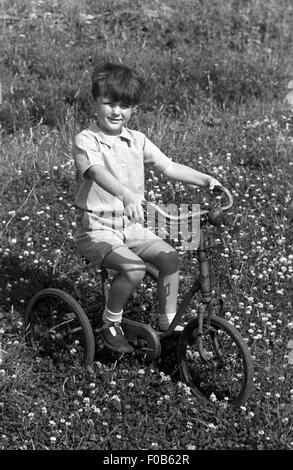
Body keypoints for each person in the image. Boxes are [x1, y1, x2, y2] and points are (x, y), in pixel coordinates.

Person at [73, 62, 221, 353]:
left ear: (134, 110)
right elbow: (94, 172)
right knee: (134, 268)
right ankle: (110, 323)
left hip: (131, 227)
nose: (116, 112)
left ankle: (167, 320)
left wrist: (205, 180)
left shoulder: (137, 140)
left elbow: (168, 166)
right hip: (97, 230)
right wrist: (127, 195)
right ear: (95, 103)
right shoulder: (86, 140)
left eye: (124, 106)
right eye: (109, 103)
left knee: (170, 258)